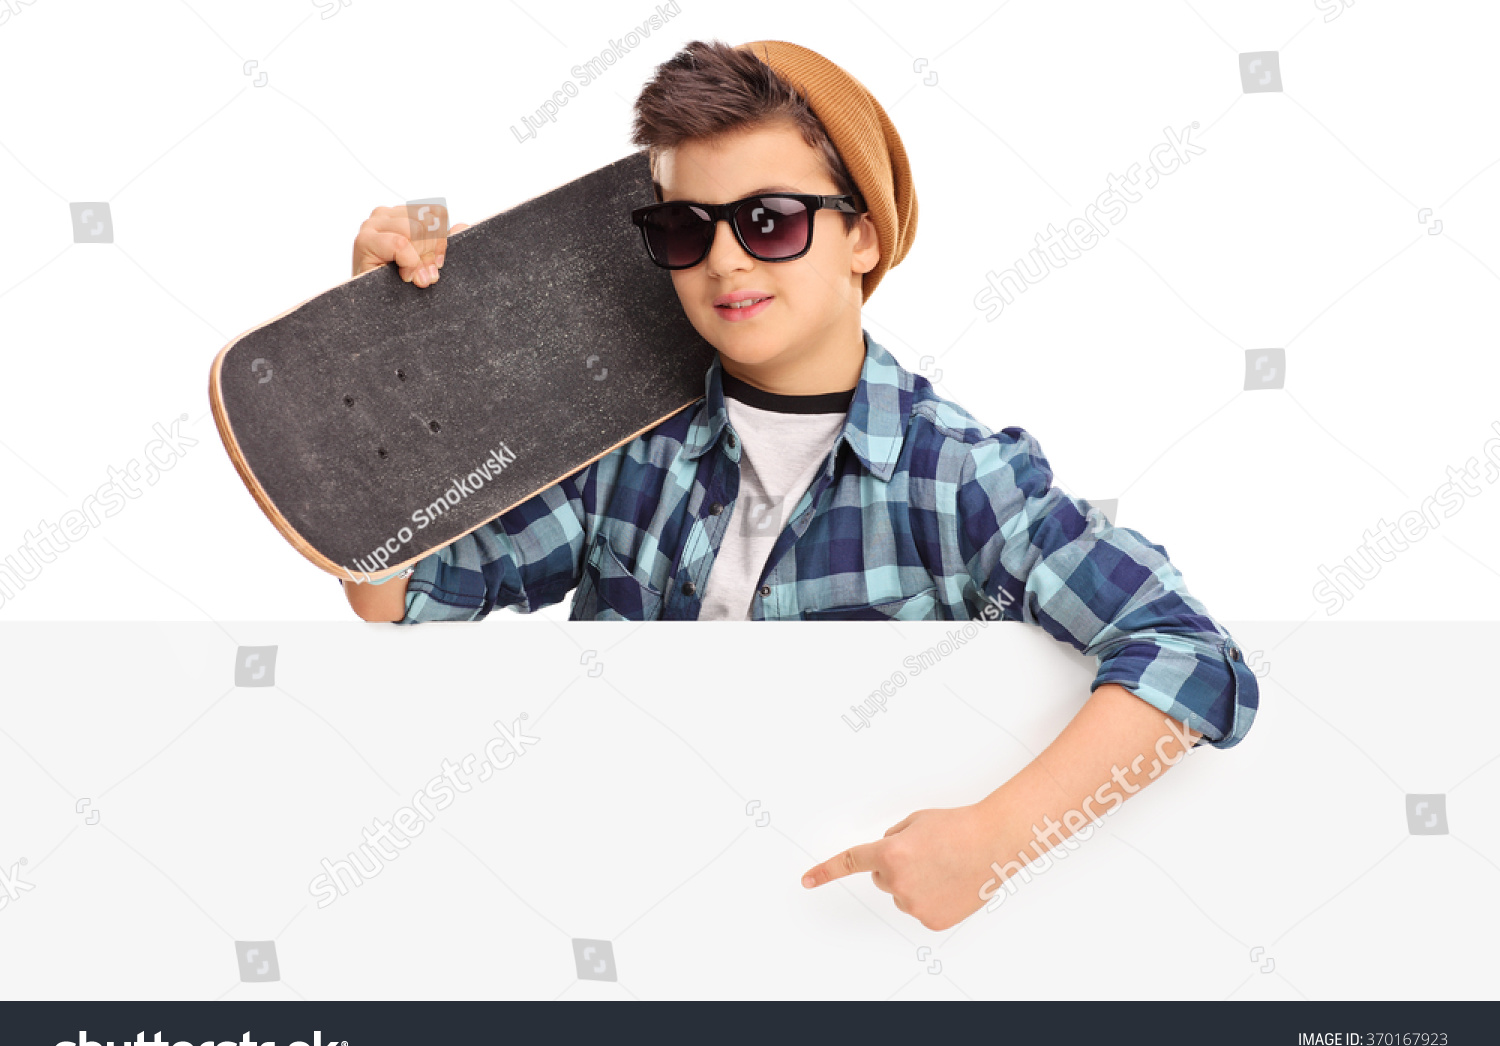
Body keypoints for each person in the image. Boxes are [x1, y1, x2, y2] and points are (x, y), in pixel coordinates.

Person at [342, 38, 1259, 929]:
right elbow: (400, 593)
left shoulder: (954, 479)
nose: (725, 260)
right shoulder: (623, 458)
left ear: (861, 236)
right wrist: (377, 342)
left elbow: (1190, 654)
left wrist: (995, 841)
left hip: (830, 951)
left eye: (769, 220)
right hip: (626, 921)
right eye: (684, 227)